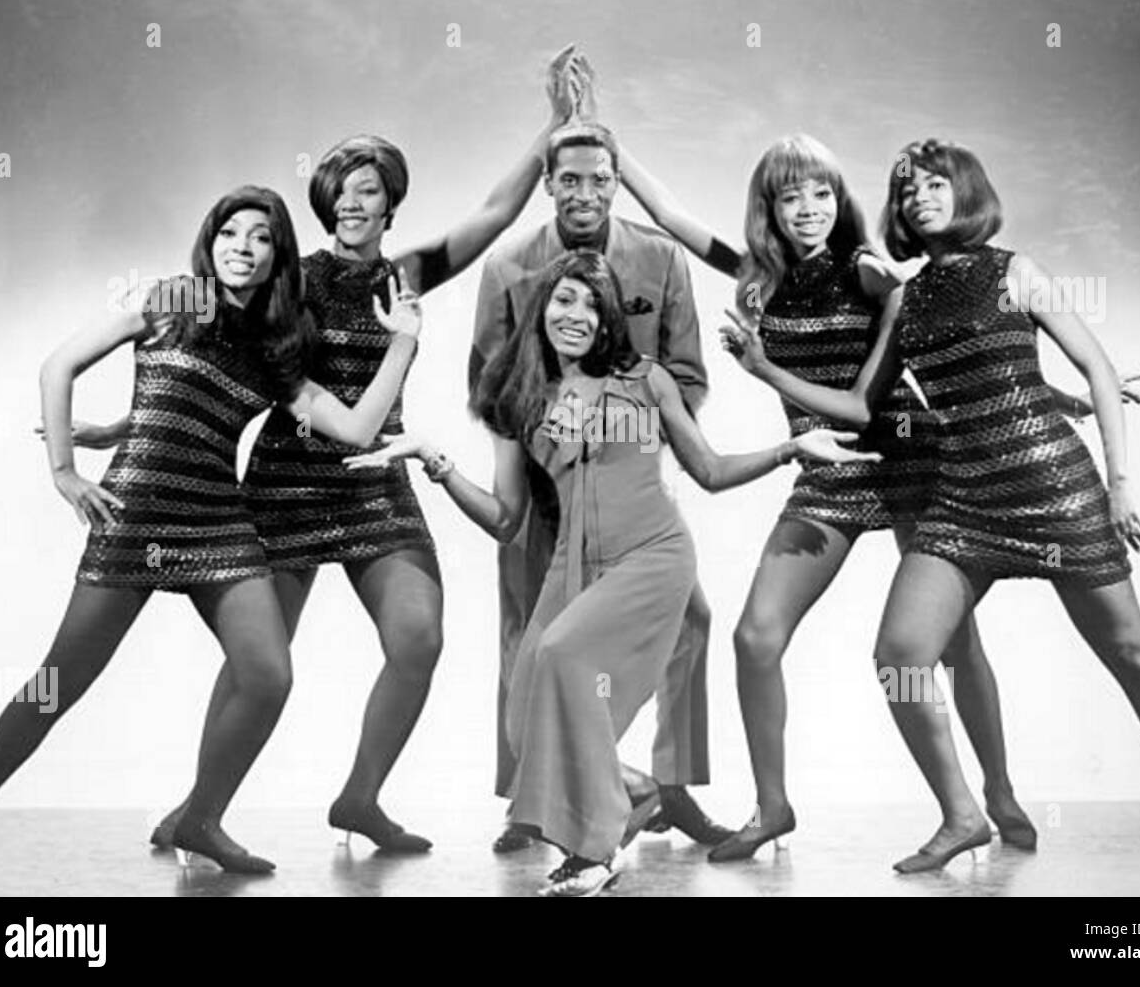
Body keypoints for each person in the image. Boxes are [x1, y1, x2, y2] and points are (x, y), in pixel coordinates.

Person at [620, 134, 1140, 860]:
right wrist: (606, 148)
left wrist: (1055, 389)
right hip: (829, 471)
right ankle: (773, 808)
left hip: (912, 461)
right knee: (755, 636)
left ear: (841, 201)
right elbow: (676, 218)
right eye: (791, 196)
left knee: (951, 645)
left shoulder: (868, 269)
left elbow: (947, 331)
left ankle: (992, 794)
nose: (808, 209)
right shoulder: (756, 277)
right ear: (768, 208)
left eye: (822, 193)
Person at [722, 138, 1140, 872]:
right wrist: (763, 368)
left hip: (1051, 484)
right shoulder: (905, 293)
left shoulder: (1014, 271)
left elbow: (1095, 365)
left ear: (966, 191)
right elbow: (865, 404)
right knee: (900, 653)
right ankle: (964, 815)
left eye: (934, 183)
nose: (920, 197)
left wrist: (1118, 484)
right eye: (907, 189)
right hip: (960, 495)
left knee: (1130, 651)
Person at [130, 48, 583, 853]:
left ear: (390, 204)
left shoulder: (404, 276)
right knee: (257, 665)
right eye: (337, 190)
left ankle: (360, 799)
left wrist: (554, 127)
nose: (350, 202)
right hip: (288, 483)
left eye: (366, 190)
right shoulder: (290, 281)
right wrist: (130, 427)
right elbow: (210, 352)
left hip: (377, 481)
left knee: (419, 640)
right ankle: (199, 811)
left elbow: (491, 214)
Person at [349, 250, 880, 894]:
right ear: (542, 306)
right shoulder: (516, 396)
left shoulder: (646, 379)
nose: (574, 314)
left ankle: (595, 854)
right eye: (562, 299)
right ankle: (636, 792)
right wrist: (432, 459)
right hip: (575, 561)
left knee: (564, 656)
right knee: (523, 717)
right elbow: (505, 518)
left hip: (654, 553)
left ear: (607, 322)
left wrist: (790, 449)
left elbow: (708, 472)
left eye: (590, 304)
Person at [0, 186, 422, 873]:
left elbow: (354, 429)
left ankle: (200, 818)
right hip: (134, 513)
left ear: (276, 257)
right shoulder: (167, 300)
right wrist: (65, 470)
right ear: (210, 242)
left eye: (260, 237)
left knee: (267, 674)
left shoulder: (273, 347)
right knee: (57, 683)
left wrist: (404, 344)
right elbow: (58, 366)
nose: (242, 246)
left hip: (215, 522)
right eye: (230, 232)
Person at [470, 121, 730, 852]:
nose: (585, 193)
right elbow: (490, 382)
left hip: (626, 487)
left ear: (618, 181)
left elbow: (687, 374)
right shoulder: (509, 266)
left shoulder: (659, 257)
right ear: (547, 184)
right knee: (531, 636)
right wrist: (548, 441)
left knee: (692, 624)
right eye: (569, 179)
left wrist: (626, 426)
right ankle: (534, 800)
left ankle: (669, 788)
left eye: (599, 179)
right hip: (543, 483)